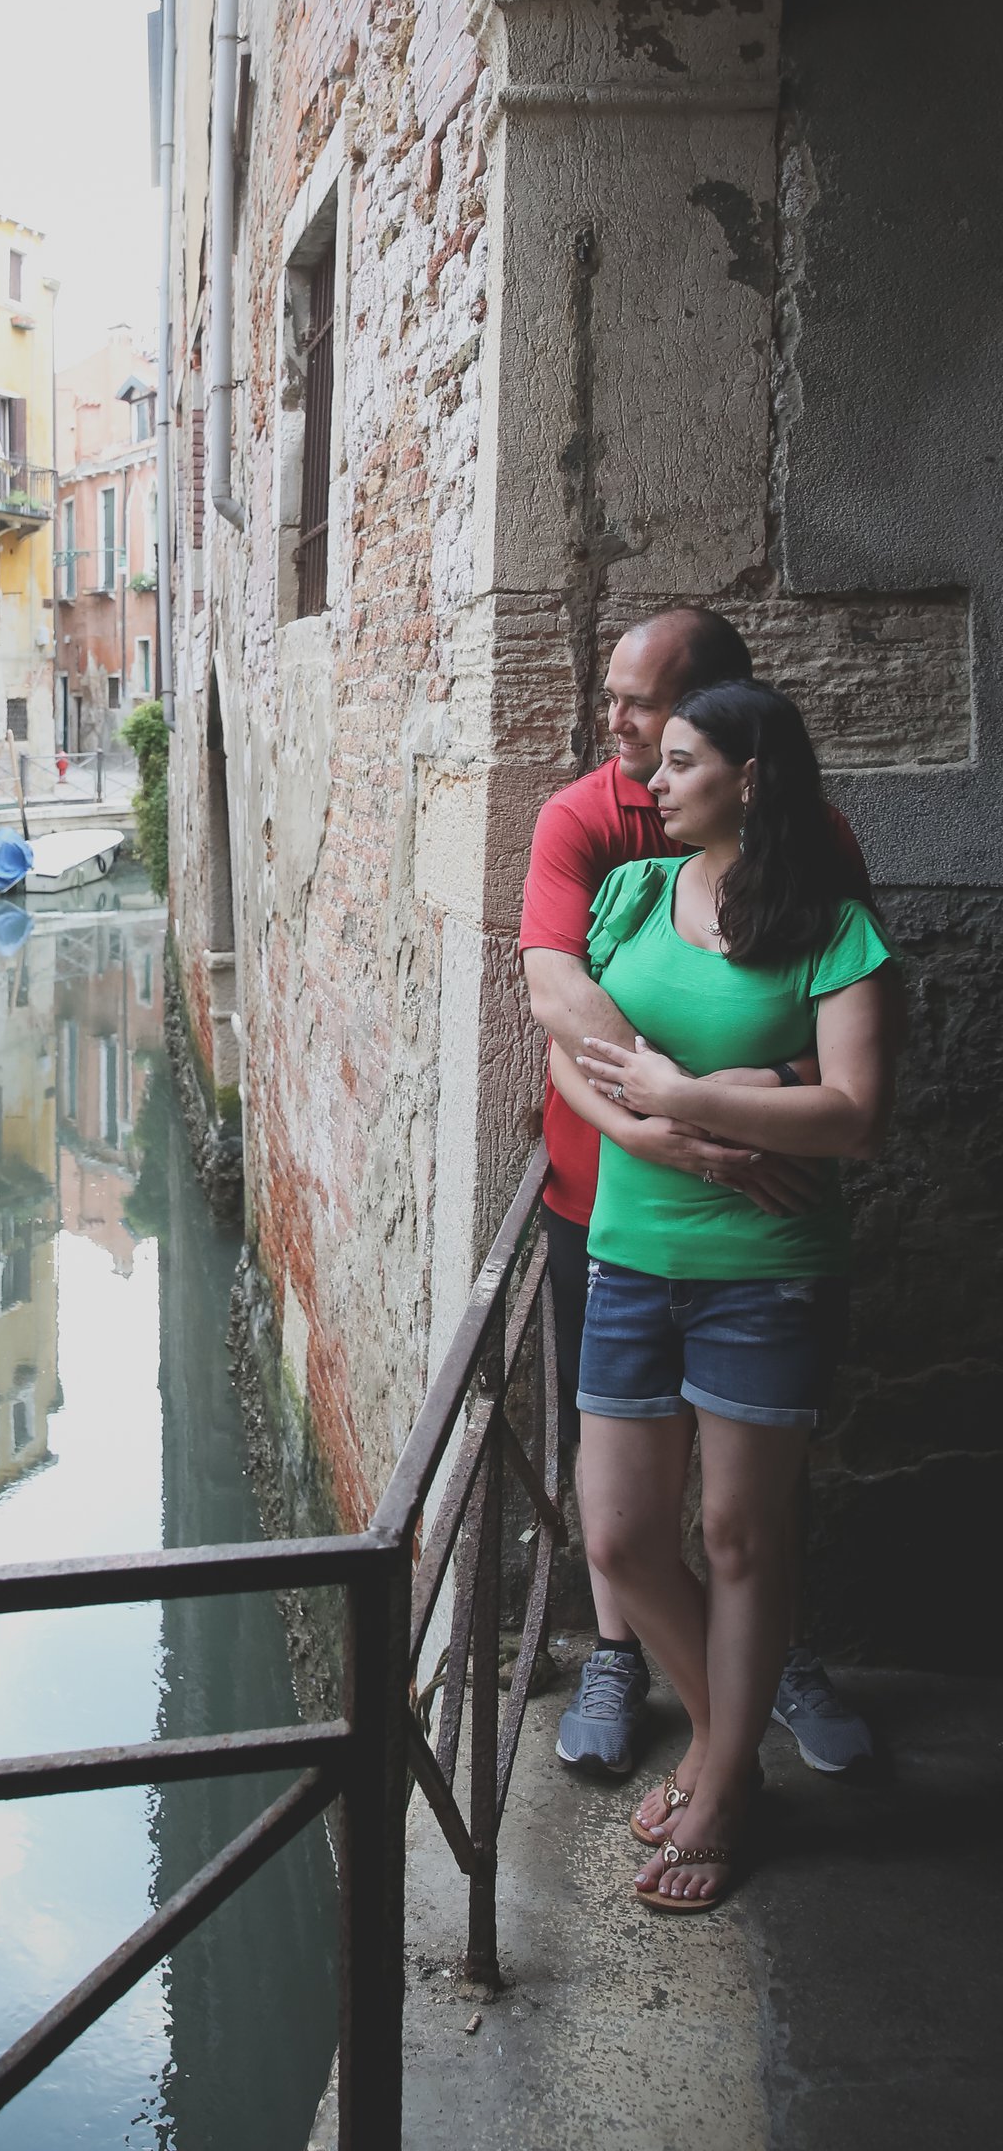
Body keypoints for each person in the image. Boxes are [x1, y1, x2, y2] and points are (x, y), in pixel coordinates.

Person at [549, 680, 895, 1906]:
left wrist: (683, 1093)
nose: (654, 781)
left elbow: (853, 1116)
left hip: (769, 1272)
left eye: (682, 760)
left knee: (741, 1541)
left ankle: (719, 1794)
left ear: (750, 778)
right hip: (631, 1254)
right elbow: (570, 1053)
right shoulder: (636, 894)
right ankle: (728, 1748)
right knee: (619, 1536)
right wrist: (653, 1130)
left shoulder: (833, 928)